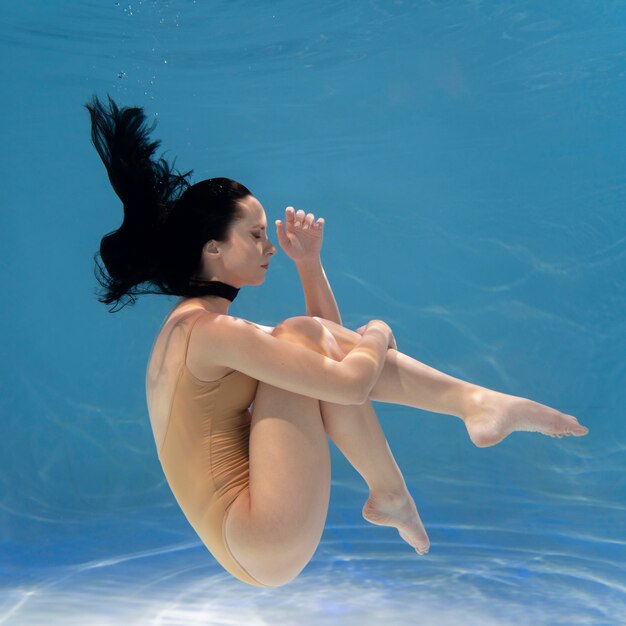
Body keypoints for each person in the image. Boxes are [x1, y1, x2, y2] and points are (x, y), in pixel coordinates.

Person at [85, 94, 589, 588]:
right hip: (259, 535)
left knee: (303, 337)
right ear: (213, 248)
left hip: (254, 544)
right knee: (302, 336)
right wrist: (381, 331)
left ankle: (471, 410)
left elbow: (325, 358)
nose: (268, 248)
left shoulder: (195, 324)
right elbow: (346, 383)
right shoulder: (207, 332)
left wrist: (309, 265)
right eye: (256, 236)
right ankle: (432, 449)